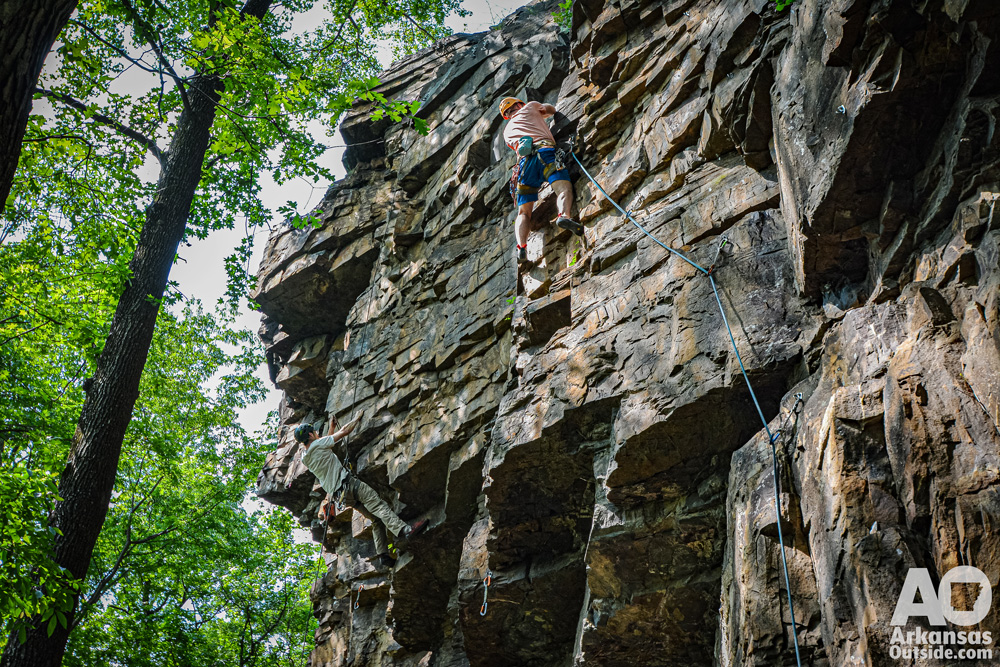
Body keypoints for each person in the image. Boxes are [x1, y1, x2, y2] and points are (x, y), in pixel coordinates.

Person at [294, 417, 428, 570]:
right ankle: (405, 530)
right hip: (350, 485)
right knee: (378, 505)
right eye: (315, 432)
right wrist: (357, 418)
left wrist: (331, 428)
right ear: (310, 435)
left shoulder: (305, 458)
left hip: (342, 497)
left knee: (376, 520)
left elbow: (325, 444)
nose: (317, 433)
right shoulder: (319, 444)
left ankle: (383, 555)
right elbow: (344, 431)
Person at [499, 96, 582, 264]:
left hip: (524, 166)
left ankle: (521, 246)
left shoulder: (506, 132)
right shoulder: (530, 107)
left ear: (507, 115)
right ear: (519, 104)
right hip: (544, 153)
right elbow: (551, 109)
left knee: (523, 212)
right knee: (563, 189)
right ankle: (564, 216)